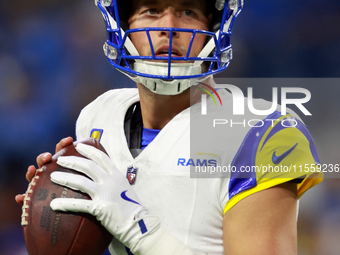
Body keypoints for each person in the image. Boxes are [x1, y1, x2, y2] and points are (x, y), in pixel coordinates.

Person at [16, 0, 323, 254]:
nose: (169, 26)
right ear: (123, 26)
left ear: (213, 28)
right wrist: (54, 211)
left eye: (188, 11)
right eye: (151, 9)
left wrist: (140, 229)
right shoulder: (97, 117)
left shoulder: (261, 133)